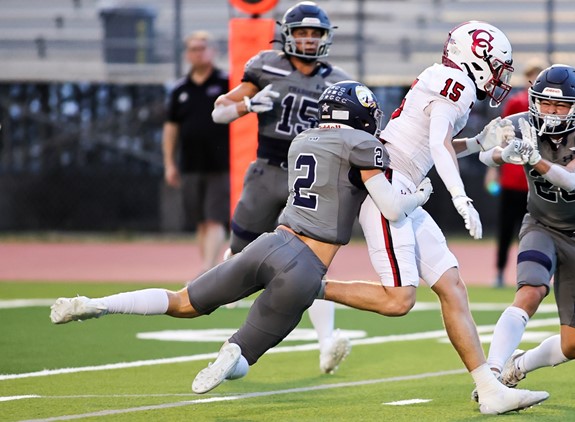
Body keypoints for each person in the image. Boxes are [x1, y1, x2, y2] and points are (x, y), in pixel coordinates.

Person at [50, 81, 434, 395]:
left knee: (182, 302)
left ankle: (99, 304)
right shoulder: (363, 145)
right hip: (306, 266)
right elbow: (391, 208)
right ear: (360, 114)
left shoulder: (303, 140)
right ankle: (231, 353)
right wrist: (420, 194)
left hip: (269, 243)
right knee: (245, 356)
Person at [319, 21, 549, 414]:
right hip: (389, 186)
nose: (498, 77)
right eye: (496, 66)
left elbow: (433, 144)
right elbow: (437, 145)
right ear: (475, 58)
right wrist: (461, 197)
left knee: (453, 285)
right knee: (399, 301)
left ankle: (490, 391)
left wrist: (477, 143)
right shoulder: (452, 82)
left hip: (403, 181)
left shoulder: (448, 82)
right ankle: (311, 287)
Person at [210, 1, 353, 372]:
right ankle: (213, 295)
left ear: (325, 38)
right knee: (240, 253)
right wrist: (247, 105)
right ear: (287, 35)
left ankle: (326, 343)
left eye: (315, 33)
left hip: (310, 178)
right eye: (302, 32)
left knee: (311, 263)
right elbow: (219, 111)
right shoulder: (265, 66)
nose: (307, 39)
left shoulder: (338, 80)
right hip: (268, 170)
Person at [473, 64, 575, 395]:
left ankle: (518, 366)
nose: (551, 111)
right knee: (531, 290)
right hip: (541, 224)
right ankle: (491, 374)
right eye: (546, 103)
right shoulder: (520, 123)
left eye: (561, 105)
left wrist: (533, 157)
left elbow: (570, 179)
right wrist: (501, 153)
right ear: (533, 100)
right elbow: (481, 152)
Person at [162, 30, 230, 273]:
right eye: (193, 49)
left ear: (213, 51)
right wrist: (169, 163)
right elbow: (171, 129)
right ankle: (210, 270)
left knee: (215, 217)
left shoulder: (226, 84)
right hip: (191, 164)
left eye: (202, 48)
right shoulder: (179, 89)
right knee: (201, 222)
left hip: (222, 163)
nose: (198, 53)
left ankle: (207, 270)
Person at [484, 62, 544, 287]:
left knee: (536, 231)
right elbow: (502, 136)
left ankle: (532, 273)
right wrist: (492, 168)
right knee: (507, 228)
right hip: (514, 176)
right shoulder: (517, 102)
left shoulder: (548, 107)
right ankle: (500, 272)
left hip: (536, 178)